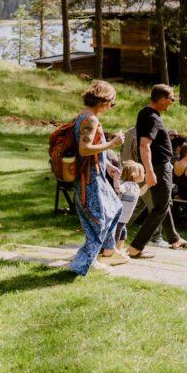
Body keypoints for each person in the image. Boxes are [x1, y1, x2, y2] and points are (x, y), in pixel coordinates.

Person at [69, 80, 126, 274]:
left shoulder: (86, 117)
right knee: (97, 222)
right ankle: (82, 264)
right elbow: (84, 149)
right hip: (89, 180)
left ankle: (108, 252)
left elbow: (92, 151)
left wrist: (108, 165)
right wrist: (113, 144)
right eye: (112, 102)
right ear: (103, 101)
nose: (111, 107)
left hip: (97, 176)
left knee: (115, 208)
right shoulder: (90, 120)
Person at [129, 84, 187, 259]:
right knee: (160, 208)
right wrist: (150, 171)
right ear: (162, 98)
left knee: (164, 204)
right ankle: (135, 247)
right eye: (171, 99)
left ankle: (174, 239)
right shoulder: (152, 117)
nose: (172, 102)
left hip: (157, 166)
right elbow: (144, 145)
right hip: (158, 167)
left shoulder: (145, 113)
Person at [114, 161, 146, 255]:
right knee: (117, 233)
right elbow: (119, 189)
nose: (144, 174)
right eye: (142, 172)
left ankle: (118, 251)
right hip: (119, 216)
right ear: (135, 174)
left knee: (123, 234)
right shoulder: (127, 185)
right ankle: (112, 250)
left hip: (125, 218)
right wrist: (116, 179)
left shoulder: (135, 186)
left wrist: (148, 185)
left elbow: (140, 193)